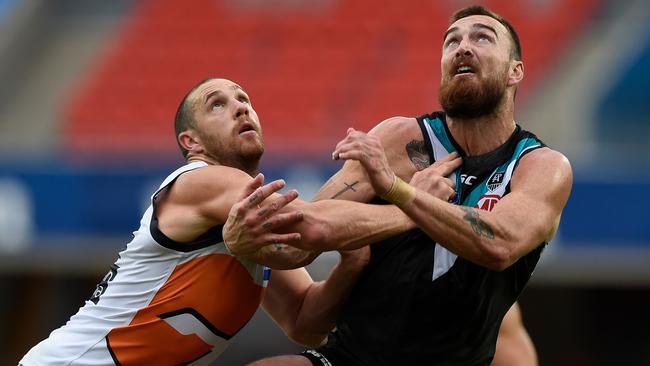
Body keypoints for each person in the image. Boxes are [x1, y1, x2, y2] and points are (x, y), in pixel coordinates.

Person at [19, 78, 458, 366]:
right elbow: (304, 235)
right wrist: (415, 208)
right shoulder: (199, 182)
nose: (240, 108)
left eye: (244, 100)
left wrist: (350, 265)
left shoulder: (248, 224)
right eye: (218, 104)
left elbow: (305, 320)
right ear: (190, 142)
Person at [229, 5, 572, 365]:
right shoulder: (399, 139)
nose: (462, 47)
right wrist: (236, 234)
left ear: (515, 71)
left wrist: (397, 190)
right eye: (451, 41)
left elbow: (500, 243)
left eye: (482, 38)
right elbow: (304, 239)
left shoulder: (540, 166)